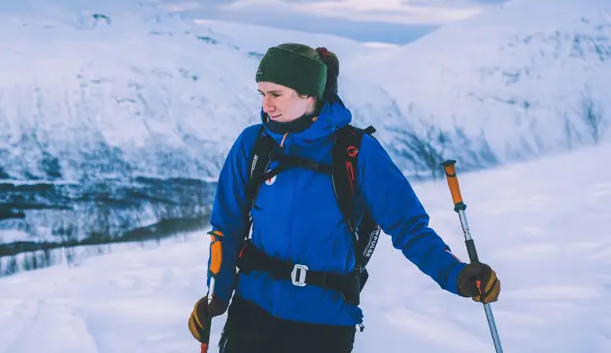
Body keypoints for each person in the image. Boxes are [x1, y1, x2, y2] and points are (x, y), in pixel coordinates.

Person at [187, 43, 500, 352]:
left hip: (324, 324)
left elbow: (408, 226)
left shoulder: (356, 151)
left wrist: (454, 273)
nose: (266, 105)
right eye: (262, 94)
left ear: (309, 94)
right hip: (252, 313)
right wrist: (216, 295)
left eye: (276, 94)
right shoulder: (253, 145)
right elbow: (227, 226)